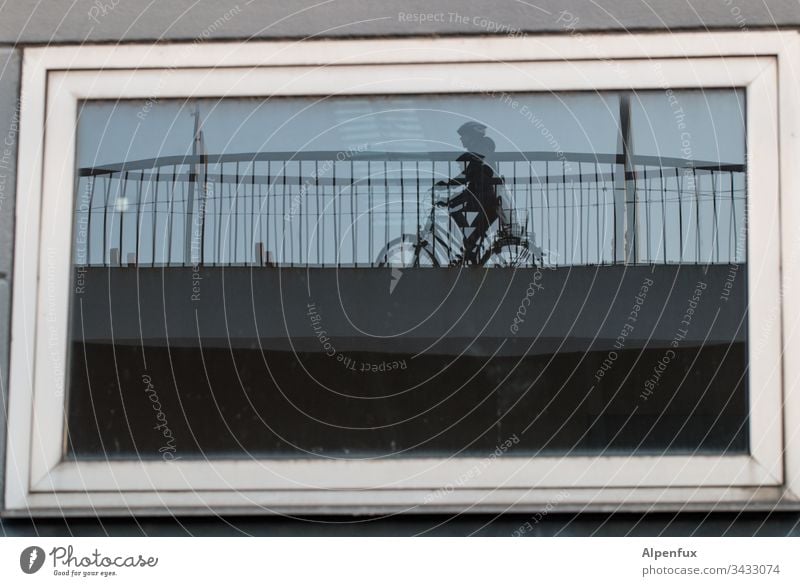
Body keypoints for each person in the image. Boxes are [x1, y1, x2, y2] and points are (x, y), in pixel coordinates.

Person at [435, 121, 505, 265]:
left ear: (472, 135)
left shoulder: (480, 150)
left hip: (484, 199)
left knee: (455, 209)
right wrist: (449, 188)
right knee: (455, 210)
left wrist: (448, 185)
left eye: (464, 136)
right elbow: (468, 176)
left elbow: (467, 175)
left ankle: (469, 250)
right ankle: (469, 250)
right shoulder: (478, 151)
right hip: (480, 197)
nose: (461, 139)